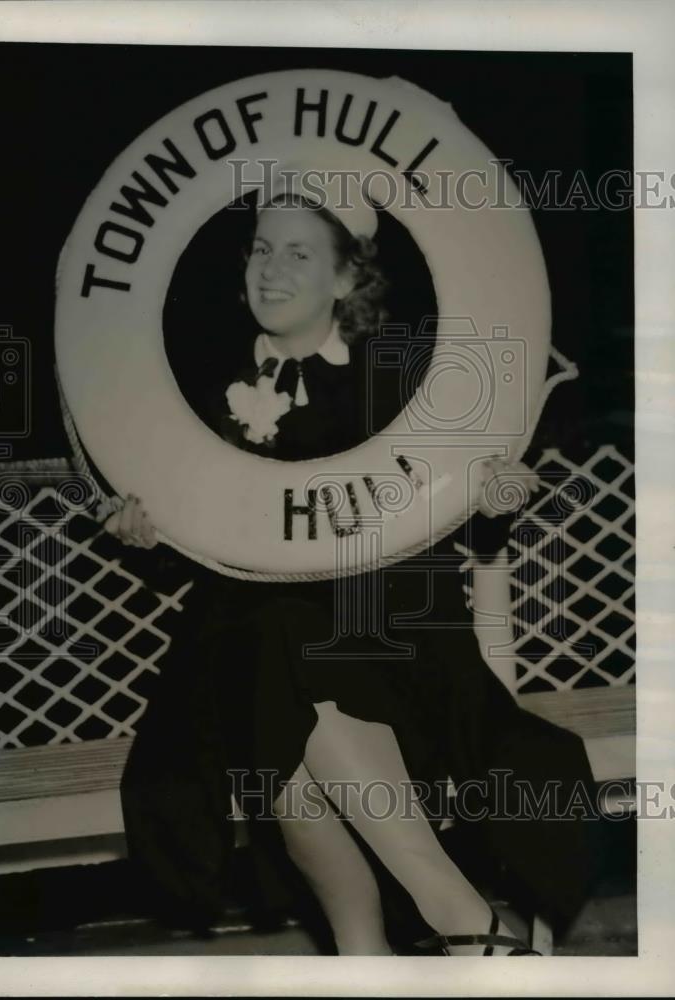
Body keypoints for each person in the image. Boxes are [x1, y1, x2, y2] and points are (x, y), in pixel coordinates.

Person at [104, 179, 599, 955]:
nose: (271, 269)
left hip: (393, 641)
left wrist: (497, 497)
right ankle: (448, 920)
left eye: (298, 252)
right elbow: (189, 555)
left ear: (345, 279)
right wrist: (148, 538)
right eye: (261, 249)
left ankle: (391, 935)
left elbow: (461, 503)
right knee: (271, 649)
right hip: (251, 644)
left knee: (282, 660)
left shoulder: (403, 377)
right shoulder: (198, 401)